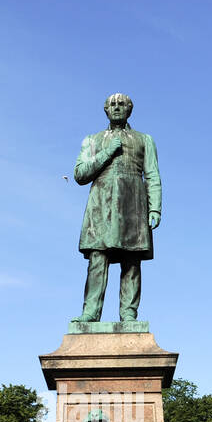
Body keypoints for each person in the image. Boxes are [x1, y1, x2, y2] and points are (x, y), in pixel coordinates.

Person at [73, 93, 161, 323]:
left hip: (133, 202)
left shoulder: (145, 139)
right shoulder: (92, 140)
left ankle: (129, 313)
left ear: (130, 109)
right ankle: (90, 311)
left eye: (122, 104)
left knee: (131, 260)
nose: (117, 107)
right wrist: (108, 151)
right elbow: (80, 174)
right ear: (105, 110)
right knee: (97, 258)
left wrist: (155, 208)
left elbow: (152, 174)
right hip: (101, 203)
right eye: (112, 104)